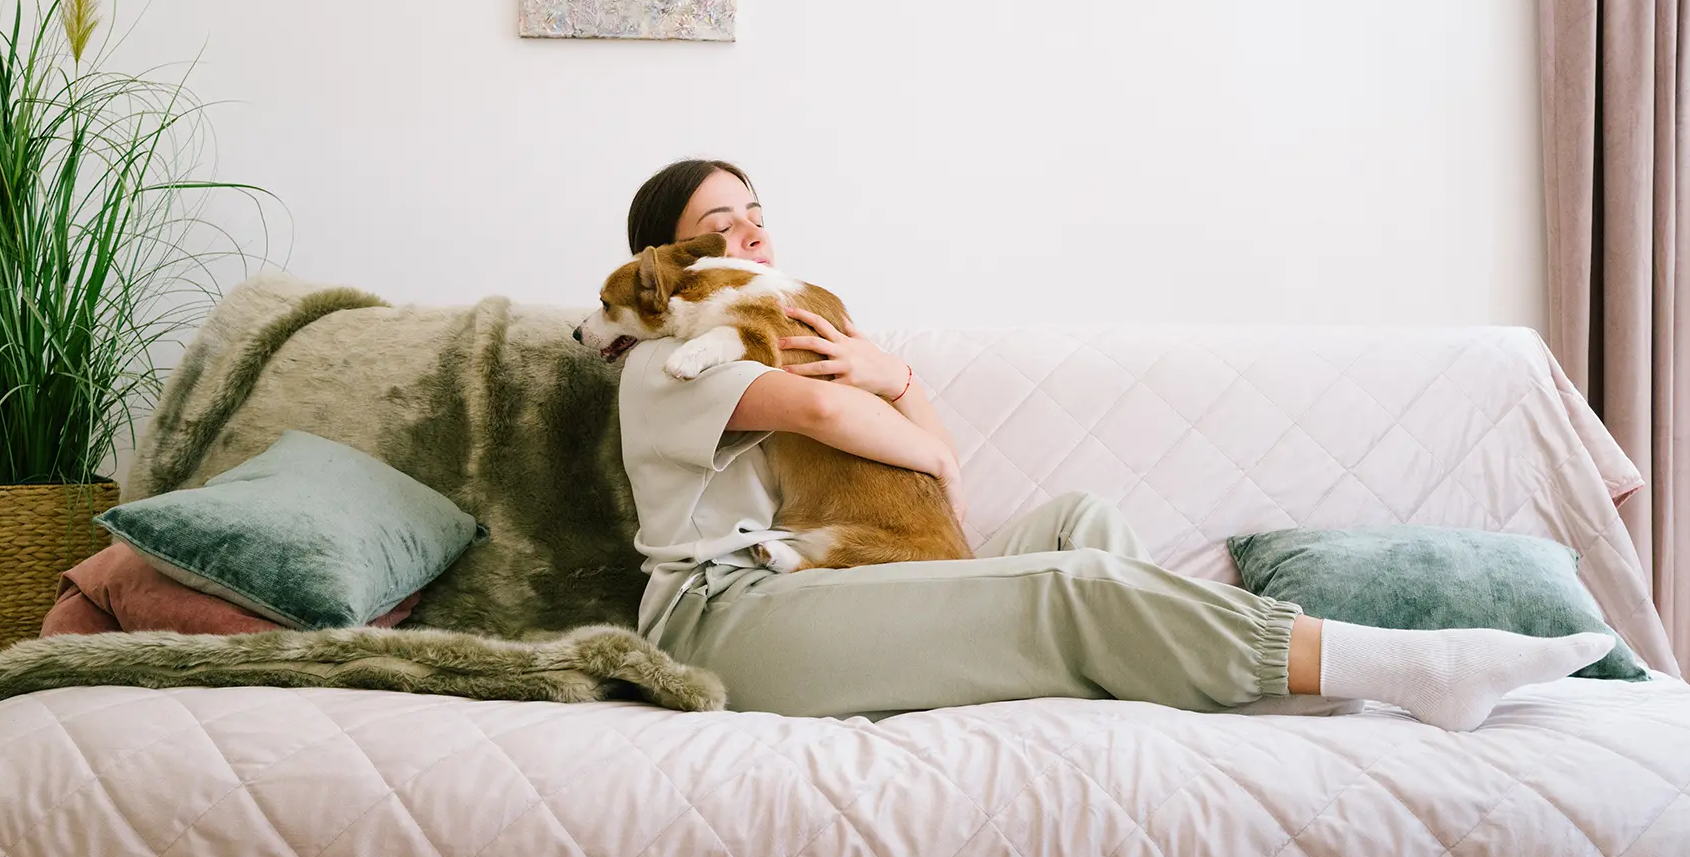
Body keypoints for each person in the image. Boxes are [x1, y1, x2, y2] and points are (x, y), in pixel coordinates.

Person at [613, 159, 1613, 727]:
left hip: (821, 578)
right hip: (728, 619)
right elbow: (864, 433)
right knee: (1073, 587)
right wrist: (896, 411)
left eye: (757, 216)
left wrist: (900, 378)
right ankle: (1396, 668)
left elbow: (908, 436)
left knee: (1080, 521)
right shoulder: (671, 360)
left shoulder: (787, 333)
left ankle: (1209, 688)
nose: (750, 238)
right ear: (663, 260)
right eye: (718, 227)